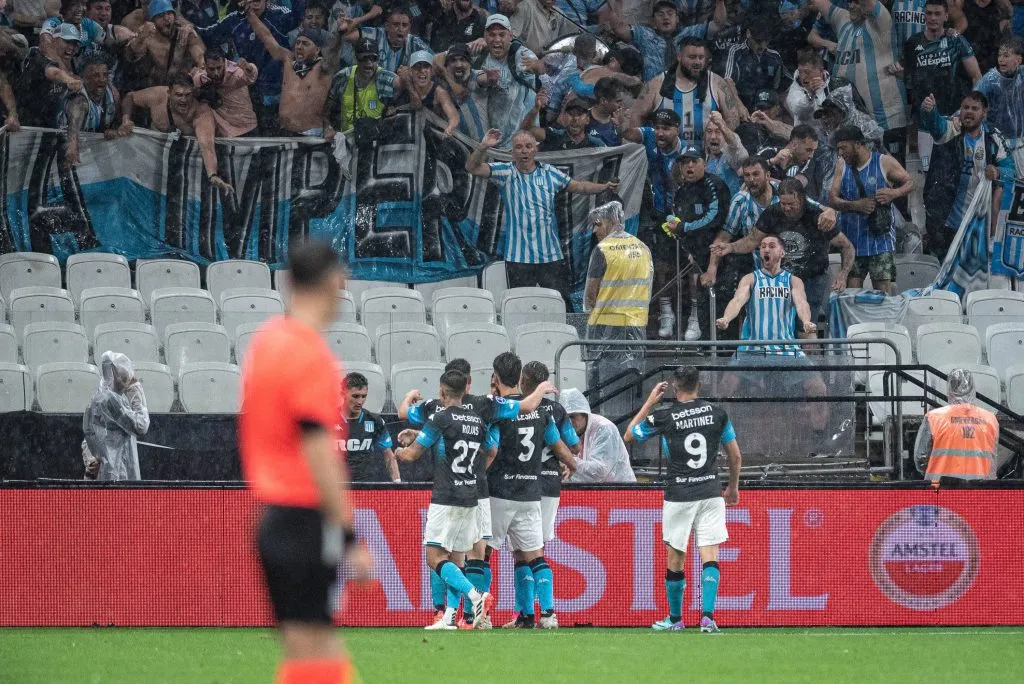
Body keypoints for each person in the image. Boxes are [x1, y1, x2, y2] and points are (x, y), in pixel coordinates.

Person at [238, 240, 371, 684]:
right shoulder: (310, 355)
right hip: (305, 518)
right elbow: (320, 456)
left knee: (302, 645)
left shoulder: (266, 343)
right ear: (336, 281)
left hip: (273, 517)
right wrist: (350, 535)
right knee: (319, 646)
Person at [398, 355, 563, 628]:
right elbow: (499, 440)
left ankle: (462, 606)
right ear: (469, 383)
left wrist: (408, 400)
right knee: (469, 553)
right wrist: (542, 390)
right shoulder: (484, 406)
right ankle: (461, 615)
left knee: (439, 554)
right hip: (479, 492)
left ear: (442, 388)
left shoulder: (435, 410)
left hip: (447, 493)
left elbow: (406, 415)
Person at [624, 366, 741, 633]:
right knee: (709, 554)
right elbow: (735, 456)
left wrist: (650, 403)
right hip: (710, 491)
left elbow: (629, 435)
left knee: (676, 557)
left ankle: (676, 619)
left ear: (676, 389)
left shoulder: (665, 416)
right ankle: (708, 618)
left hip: (679, 494)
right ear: (699, 385)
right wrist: (732, 487)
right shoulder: (718, 415)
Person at [464, 128, 617, 307]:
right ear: (512, 152)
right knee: (522, 307)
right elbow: (472, 168)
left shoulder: (549, 173)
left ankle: (566, 336)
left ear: (535, 149)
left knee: (560, 305)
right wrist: (483, 147)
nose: (524, 151)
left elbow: (580, 187)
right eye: (519, 147)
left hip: (550, 255)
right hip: (518, 258)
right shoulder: (505, 172)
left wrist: (604, 187)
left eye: (528, 146)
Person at [394, 369, 496, 630]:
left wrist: (400, 451)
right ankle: (451, 615)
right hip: (471, 495)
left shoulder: (440, 417)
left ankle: (476, 595)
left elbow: (413, 455)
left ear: (441, 391)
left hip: (446, 497)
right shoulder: (476, 419)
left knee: (434, 557)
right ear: (465, 391)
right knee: (457, 559)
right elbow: (491, 450)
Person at [485, 351, 574, 630]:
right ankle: (545, 614)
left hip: (500, 491)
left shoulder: (497, 409)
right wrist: (570, 464)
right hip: (530, 493)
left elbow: (492, 449)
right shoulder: (543, 414)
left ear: (496, 378)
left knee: (484, 554)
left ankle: (482, 615)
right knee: (534, 554)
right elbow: (562, 448)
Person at [716, 234, 831, 431]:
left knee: (818, 387)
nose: (766, 250)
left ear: (782, 252)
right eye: (762, 247)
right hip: (752, 350)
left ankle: (819, 439)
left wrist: (806, 321)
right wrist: (727, 318)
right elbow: (737, 300)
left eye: (771, 246)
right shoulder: (751, 279)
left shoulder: (793, 281)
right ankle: (721, 435)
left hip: (786, 349)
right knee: (725, 386)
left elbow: (801, 302)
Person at [714, 178, 854, 332]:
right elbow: (752, 240)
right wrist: (730, 247)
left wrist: (843, 274)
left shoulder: (816, 216)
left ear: (801, 199)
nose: (786, 208)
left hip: (813, 279)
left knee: (806, 328)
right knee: (778, 326)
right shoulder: (773, 212)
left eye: (791, 204)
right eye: (783, 203)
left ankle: (808, 354)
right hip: (781, 280)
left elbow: (847, 246)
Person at [918, 90, 1015, 259]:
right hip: (944, 220)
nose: (968, 112)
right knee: (943, 273)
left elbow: (1011, 172)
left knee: (972, 275)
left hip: (977, 222)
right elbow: (935, 124)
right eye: (965, 107)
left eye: (974, 108)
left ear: (984, 113)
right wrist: (929, 110)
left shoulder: (993, 138)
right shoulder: (950, 129)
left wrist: (998, 171)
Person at [519, 360, 581, 617]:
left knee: (522, 549)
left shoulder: (516, 407)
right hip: (549, 482)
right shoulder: (556, 410)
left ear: (524, 381)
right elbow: (574, 445)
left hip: (520, 481)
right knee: (536, 547)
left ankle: (527, 612)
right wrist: (570, 463)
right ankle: (539, 611)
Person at [812, 0, 908, 164]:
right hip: (853, 122)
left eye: (856, 2)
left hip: (886, 119)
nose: (851, 6)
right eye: (849, 2)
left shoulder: (882, 20)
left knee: (891, 174)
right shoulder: (844, 19)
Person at [620, 108, 686, 339]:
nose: (660, 132)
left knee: (683, 267)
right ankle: (665, 311)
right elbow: (629, 134)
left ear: (677, 129)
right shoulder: (649, 136)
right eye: (658, 127)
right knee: (657, 264)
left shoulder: (686, 152)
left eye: (666, 128)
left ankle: (690, 315)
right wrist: (623, 121)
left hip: (681, 214)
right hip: (655, 212)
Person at [197, 0, 305, 135]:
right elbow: (206, 34)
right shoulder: (234, 18)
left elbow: (304, 19)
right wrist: (186, 25)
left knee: (275, 142)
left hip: (277, 93)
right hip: (246, 95)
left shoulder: (281, 14)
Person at [829, 125, 913, 292]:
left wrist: (893, 193)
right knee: (853, 294)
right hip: (852, 243)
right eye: (838, 149)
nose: (840, 153)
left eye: (843, 148)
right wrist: (855, 205)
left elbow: (909, 182)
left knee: (882, 294)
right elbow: (832, 199)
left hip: (880, 242)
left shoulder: (883, 162)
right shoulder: (841, 165)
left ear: (858, 144)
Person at [663, 145, 734, 341]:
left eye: (695, 161)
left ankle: (723, 352)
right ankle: (705, 349)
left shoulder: (714, 185)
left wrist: (684, 228)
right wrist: (673, 224)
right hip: (695, 256)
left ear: (705, 163)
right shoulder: (681, 189)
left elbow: (714, 218)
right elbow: (676, 213)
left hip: (722, 257)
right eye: (685, 162)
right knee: (703, 307)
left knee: (721, 305)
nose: (690, 166)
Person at [118, 75, 232, 194]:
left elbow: (207, 146)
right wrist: (126, 120)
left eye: (188, 95)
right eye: (179, 95)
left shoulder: (201, 113)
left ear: (193, 92)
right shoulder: (158, 95)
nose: (184, 100)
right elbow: (130, 97)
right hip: (153, 157)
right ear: (169, 92)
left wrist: (212, 175)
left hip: (185, 166)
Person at [902, 0, 982, 171]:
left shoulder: (955, 40)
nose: (933, 18)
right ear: (924, 16)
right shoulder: (912, 43)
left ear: (946, 16)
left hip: (953, 120)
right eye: (929, 13)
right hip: (925, 125)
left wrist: (967, 111)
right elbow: (909, 85)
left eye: (937, 14)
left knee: (957, 173)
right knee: (927, 174)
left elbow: (977, 76)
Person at [583, 200, 653, 390]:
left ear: (611, 222)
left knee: (602, 380)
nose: (595, 231)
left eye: (598, 225)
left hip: (606, 324)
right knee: (632, 377)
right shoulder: (642, 247)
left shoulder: (603, 250)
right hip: (636, 324)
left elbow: (590, 294)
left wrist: (591, 311)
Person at [631, 35, 745, 147]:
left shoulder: (717, 83)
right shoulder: (656, 84)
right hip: (668, 157)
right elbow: (636, 115)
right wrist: (646, 146)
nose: (697, 62)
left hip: (706, 158)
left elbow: (733, 120)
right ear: (679, 56)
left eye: (701, 57)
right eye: (692, 57)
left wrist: (721, 148)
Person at [247, 5, 334, 137]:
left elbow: (335, 52)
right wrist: (250, 14)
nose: (299, 47)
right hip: (285, 133)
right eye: (298, 43)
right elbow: (267, 37)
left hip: (311, 135)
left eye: (305, 44)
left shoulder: (323, 68)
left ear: (317, 50)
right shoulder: (289, 60)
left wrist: (341, 33)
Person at [470, 13, 543, 150]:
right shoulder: (480, 56)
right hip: (492, 144)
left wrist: (537, 66)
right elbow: (449, 57)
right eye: (492, 35)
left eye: (502, 35)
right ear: (485, 37)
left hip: (523, 145)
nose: (497, 39)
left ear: (510, 36)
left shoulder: (520, 55)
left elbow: (538, 66)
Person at [914, 368, 1000, 484]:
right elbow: (993, 461)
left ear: (950, 388)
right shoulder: (990, 419)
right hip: (979, 490)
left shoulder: (933, 417)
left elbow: (921, 458)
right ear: (972, 388)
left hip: (940, 490)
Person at [82, 350, 150, 481]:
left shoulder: (98, 397)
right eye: (124, 378)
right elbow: (141, 426)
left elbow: (90, 435)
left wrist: (91, 459)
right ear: (114, 375)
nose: (127, 381)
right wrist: (136, 392)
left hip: (105, 473)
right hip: (116, 475)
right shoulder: (112, 401)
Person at [560, 387, 637, 483]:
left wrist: (567, 460)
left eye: (573, 416)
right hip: (593, 491)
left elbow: (599, 471)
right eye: (565, 418)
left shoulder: (605, 428)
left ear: (584, 414)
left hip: (619, 490)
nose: (569, 422)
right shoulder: (568, 431)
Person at [325, 37, 400, 134]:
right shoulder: (343, 77)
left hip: (376, 140)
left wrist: (393, 109)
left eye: (373, 58)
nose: (368, 63)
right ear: (356, 58)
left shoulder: (384, 78)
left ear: (378, 59)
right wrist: (328, 127)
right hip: (348, 139)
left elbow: (403, 87)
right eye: (363, 58)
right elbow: (327, 110)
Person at [124, 0, 205, 87]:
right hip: (154, 89)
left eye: (169, 14)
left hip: (181, 87)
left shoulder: (184, 31)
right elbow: (130, 55)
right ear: (153, 20)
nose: (166, 19)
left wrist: (201, 68)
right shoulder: (146, 36)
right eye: (160, 16)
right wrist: (140, 38)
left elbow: (198, 50)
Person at [59, 52, 118, 165]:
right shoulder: (79, 100)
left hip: (92, 151)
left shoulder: (113, 96)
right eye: (96, 75)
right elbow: (74, 123)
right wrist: (72, 145)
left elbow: (117, 122)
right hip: (61, 148)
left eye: (105, 75)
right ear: (84, 78)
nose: (102, 79)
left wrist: (114, 130)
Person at [340, 371, 399, 483]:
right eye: (355, 396)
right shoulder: (328, 420)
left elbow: (389, 455)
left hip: (365, 487)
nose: (360, 401)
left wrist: (398, 483)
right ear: (343, 394)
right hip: (336, 487)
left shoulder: (375, 421)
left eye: (363, 396)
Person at [341, 3, 431, 73]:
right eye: (395, 24)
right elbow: (346, 36)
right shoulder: (375, 34)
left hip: (398, 91)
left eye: (404, 25)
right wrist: (368, 16)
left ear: (409, 28)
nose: (400, 29)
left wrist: (412, 72)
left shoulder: (414, 42)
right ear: (386, 26)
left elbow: (435, 60)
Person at [975, 37, 1024, 164]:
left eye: (1006, 55)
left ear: (1018, 60)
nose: (1001, 59)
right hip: (996, 142)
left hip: (1019, 141)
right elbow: (973, 102)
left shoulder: (1022, 74)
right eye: (999, 55)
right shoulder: (989, 81)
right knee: (1002, 179)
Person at [193, 49, 259, 138]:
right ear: (205, 66)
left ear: (225, 62)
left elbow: (250, 78)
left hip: (248, 127)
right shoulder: (200, 79)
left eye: (219, 68)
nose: (216, 73)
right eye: (211, 69)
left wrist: (249, 68)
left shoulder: (235, 72)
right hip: (225, 132)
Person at [722, 15, 784, 111]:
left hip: (766, 107)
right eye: (758, 41)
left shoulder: (775, 57)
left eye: (766, 41)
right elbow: (728, 81)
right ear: (748, 34)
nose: (763, 46)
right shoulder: (735, 51)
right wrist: (740, 106)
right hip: (740, 103)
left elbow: (782, 88)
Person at [393, 50, 459, 136]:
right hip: (407, 137)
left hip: (433, 139)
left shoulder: (439, 93)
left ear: (431, 71)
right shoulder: (404, 85)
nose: (422, 70)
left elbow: (453, 116)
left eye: (426, 66)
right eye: (417, 66)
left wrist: (450, 128)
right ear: (411, 71)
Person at [521, 93, 606, 150]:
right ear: (564, 117)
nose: (575, 118)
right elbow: (527, 130)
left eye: (580, 114)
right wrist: (536, 108)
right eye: (571, 114)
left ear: (587, 120)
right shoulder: (554, 135)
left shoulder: (596, 144)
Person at [508, 0, 580, 57]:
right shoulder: (524, 7)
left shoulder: (558, 13)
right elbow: (509, 39)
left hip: (550, 65)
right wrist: (530, 52)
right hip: (527, 63)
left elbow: (574, 34)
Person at [703, 109, 748, 195]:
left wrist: (722, 126)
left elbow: (735, 145)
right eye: (709, 131)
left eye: (718, 131)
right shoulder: (704, 156)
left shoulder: (732, 154)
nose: (713, 136)